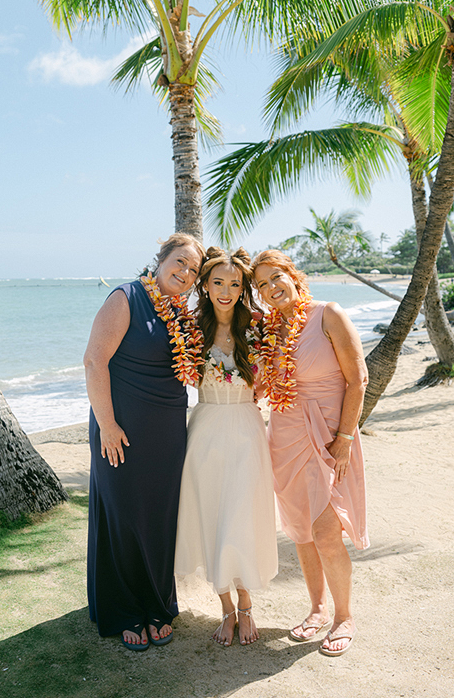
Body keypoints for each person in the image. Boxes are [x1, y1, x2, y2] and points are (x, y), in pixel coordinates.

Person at [83, 233, 205, 651]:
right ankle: (125, 609)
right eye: (180, 262)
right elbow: (95, 360)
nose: (185, 273)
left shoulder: (181, 312)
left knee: (158, 517)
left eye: (193, 270)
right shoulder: (126, 297)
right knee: (123, 516)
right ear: (161, 259)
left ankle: (157, 603)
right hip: (120, 430)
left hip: (167, 432)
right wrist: (108, 425)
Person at [253, 249, 368, 657]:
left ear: (292, 275)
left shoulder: (327, 314)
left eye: (275, 277)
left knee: (326, 532)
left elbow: (358, 379)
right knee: (300, 530)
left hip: (328, 436)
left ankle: (343, 616)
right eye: (262, 285)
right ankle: (317, 608)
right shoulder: (270, 331)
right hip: (283, 436)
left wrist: (344, 438)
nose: (271, 288)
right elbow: (264, 386)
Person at [174, 247, 278, 646]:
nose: (227, 290)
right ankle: (227, 610)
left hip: (246, 429)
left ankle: (247, 604)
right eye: (218, 282)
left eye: (235, 284)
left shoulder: (257, 327)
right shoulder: (190, 328)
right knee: (211, 515)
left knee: (242, 516)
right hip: (205, 431)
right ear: (204, 284)